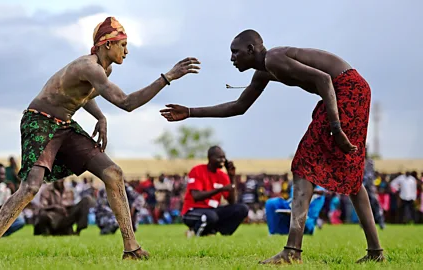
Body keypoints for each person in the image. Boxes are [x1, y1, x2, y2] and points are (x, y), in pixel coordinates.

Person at [0, 16, 200, 261]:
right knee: (30, 188)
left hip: (64, 124)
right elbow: (127, 103)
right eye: (122, 45)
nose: (127, 50)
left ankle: (131, 248)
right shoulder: (89, 66)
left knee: (113, 173)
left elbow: (84, 92)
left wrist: (101, 117)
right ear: (107, 45)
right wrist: (167, 77)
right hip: (40, 121)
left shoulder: (103, 69)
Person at [160, 29, 384, 264]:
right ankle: (375, 252)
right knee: (350, 175)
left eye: (235, 52)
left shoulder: (273, 58)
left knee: (303, 166)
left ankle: (292, 251)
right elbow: (238, 106)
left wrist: (336, 129)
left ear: (251, 50)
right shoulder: (263, 72)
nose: (231, 58)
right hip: (349, 92)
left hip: (347, 92)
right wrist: (189, 112)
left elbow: (324, 79)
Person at [181, 146, 249, 237]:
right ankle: (195, 232)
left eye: (224, 158)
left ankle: (217, 232)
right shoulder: (197, 170)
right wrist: (220, 189)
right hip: (193, 210)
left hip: (212, 210)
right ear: (210, 158)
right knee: (211, 216)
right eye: (219, 157)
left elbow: (232, 202)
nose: (222, 160)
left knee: (242, 209)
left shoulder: (222, 175)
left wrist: (231, 177)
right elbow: (196, 196)